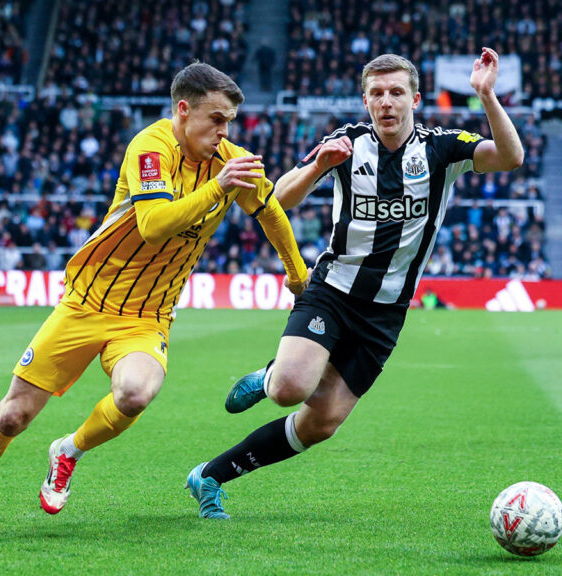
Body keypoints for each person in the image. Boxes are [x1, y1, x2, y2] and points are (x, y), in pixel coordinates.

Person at [0, 62, 309, 535]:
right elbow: (152, 226)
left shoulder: (231, 161)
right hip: (87, 302)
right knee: (12, 416)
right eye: (216, 119)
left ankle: (69, 450)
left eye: (230, 121)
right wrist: (219, 187)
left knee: (135, 394)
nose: (224, 131)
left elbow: (271, 211)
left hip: (147, 316)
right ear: (183, 110)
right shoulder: (150, 148)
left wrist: (297, 275)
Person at [186, 48, 524, 519]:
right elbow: (278, 198)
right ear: (365, 101)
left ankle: (209, 476)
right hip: (333, 292)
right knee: (288, 389)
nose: (386, 102)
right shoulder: (346, 142)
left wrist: (486, 95)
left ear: (415, 100)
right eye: (377, 93)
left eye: (396, 93)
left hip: (386, 312)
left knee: (321, 423)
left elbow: (510, 157)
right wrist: (317, 166)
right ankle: (269, 377)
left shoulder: (443, 148)